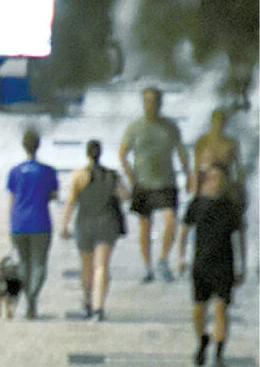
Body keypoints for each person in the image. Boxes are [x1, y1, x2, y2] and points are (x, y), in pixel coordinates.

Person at [179, 164, 246, 367]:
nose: (215, 183)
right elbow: (184, 231)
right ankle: (202, 340)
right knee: (199, 310)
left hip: (224, 264)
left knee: (220, 309)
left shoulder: (230, 207)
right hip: (201, 264)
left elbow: (239, 237)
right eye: (211, 178)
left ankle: (219, 354)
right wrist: (180, 257)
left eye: (219, 179)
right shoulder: (197, 204)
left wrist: (242, 265)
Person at [119, 86, 189, 282]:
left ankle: (163, 259)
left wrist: (188, 173)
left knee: (171, 221)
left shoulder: (170, 127)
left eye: (154, 102)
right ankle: (147, 266)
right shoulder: (135, 127)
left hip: (166, 180)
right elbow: (123, 152)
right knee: (145, 225)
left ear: (160, 103)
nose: (151, 106)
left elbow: (181, 150)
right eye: (147, 102)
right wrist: (131, 176)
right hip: (143, 182)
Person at [63, 139, 127, 319]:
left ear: (87, 153)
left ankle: (87, 300)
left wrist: (64, 225)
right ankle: (99, 307)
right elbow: (125, 195)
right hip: (107, 223)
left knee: (86, 266)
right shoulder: (112, 175)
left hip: (84, 223)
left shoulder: (78, 176)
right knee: (102, 267)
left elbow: (70, 202)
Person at [6, 127, 60, 318]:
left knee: (23, 263)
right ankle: (32, 297)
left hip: (19, 222)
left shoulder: (14, 172)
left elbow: (11, 199)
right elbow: (53, 195)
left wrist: (10, 223)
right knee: (39, 265)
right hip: (41, 222)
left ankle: (28, 296)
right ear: (39, 146)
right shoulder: (48, 171)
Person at [192, 108, 246, 208]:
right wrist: (196, 193)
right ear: (212, 121)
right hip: (207, 188)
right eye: (217, 121)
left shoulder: (230, 143)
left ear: (225, 123)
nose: (219, 124)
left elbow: (238, 169)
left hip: (226, 189)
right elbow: (196, 167)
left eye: (221, 121)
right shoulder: (202, 142)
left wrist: (240, 189)